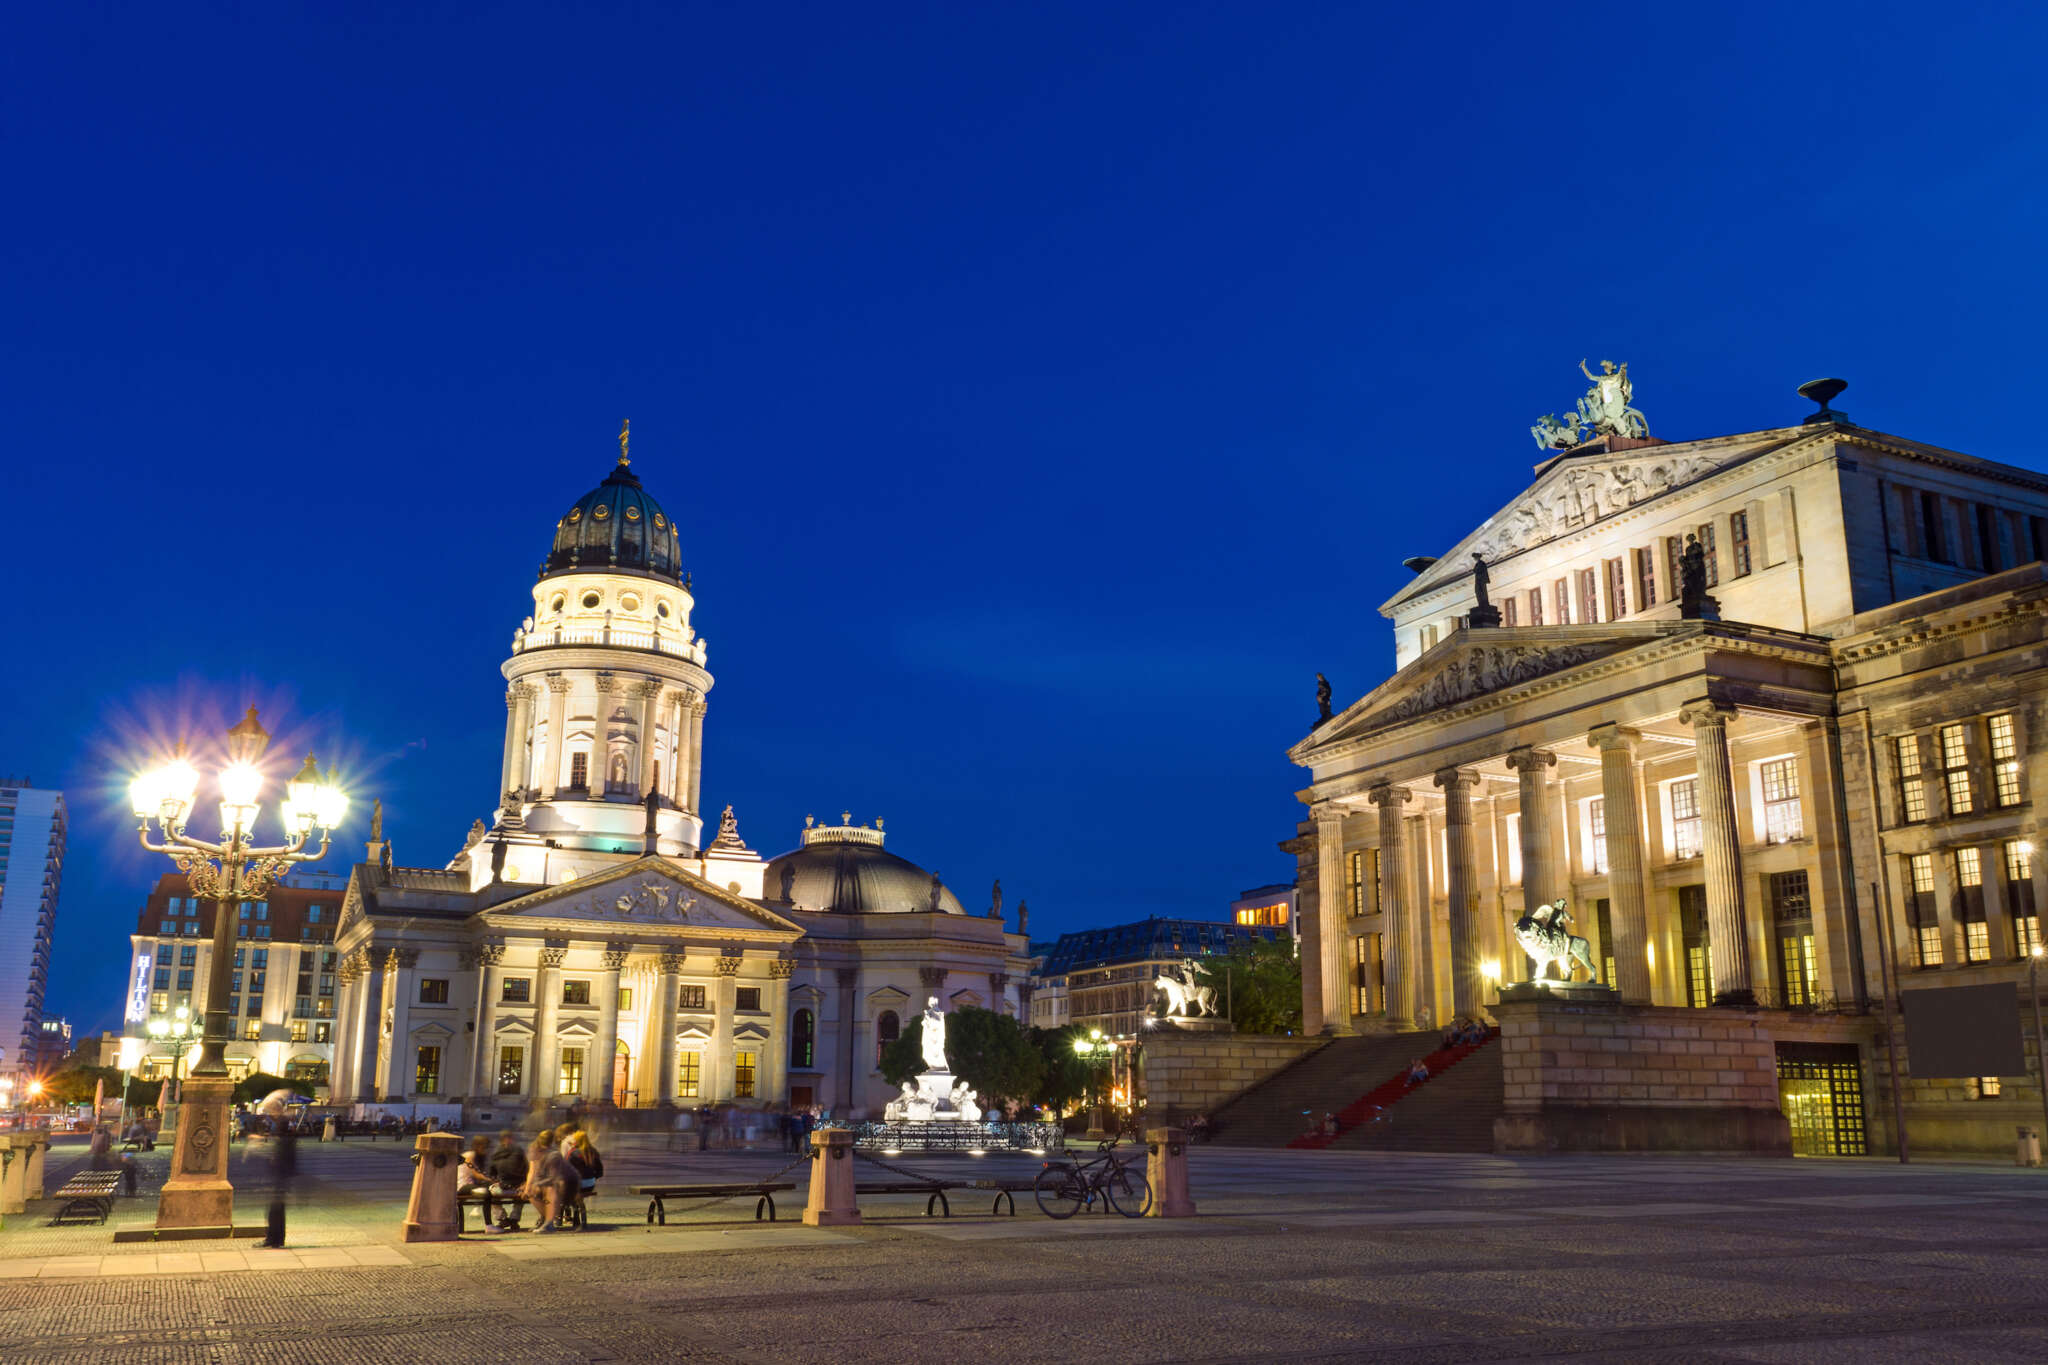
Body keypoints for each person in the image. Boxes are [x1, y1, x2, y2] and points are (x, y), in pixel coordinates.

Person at [258, 1113, 298, 1248]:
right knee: (277, 1211)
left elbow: (279, 1162)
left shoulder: (283, 1142)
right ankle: (277, 1239)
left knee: (274, 1211)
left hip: (279, 1181)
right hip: (282, 1180)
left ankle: (273, 1239)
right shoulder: (288, 1140)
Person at [488, 1131, 530, 1231]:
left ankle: (502, 1218)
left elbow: (492, 1173)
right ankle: (514, 1219)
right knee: (521, 1195)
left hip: (503, 1187)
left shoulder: (496, 1153)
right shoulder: (519, 1151)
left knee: (490, 1192)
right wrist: (525, 1183)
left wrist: (496, 1181)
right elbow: (527, 1168)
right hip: (519, 1187)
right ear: (512, 1139)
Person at [564, 1130, 604, 1230]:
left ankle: (574, 1212)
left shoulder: (572, 1153)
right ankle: (577, 1212)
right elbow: (600, 1171)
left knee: (568, 1188)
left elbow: (565, 1170)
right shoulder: (593, 1151)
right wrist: (592, 1178)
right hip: (590, 1184)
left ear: (577, 1141)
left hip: (577, 1186)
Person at [458, 1136, 499, 1231]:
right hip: (463, 1186)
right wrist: (490, 1180)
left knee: (491, 1188)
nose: (488, 1150)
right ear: (479, 1146)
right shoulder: (470, 1155)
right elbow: (477, 1174)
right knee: (486, 1192)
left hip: (471, 1185)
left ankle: (498, 1217)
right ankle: (489, 1225)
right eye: (486, 1147)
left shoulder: (478, 1157)